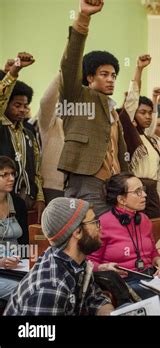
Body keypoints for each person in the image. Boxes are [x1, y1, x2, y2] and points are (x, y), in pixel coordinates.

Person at [88, 173, 160, 315]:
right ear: (121, 199)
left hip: (152, 278)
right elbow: (89, 262)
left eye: (143, 189)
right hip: (126, 284)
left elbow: (152, 251)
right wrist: (104, 267)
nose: (145, 195)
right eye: (138, 192)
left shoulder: (144, 219)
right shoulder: (103, 223)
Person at [59, 0, 129, 217]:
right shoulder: (77, 95)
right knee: (90, 236)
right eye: (104, 74)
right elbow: (70, 64)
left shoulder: (112, 109)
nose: (111, 80)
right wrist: (84, 18)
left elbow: (120, 151)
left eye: (114, 75)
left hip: (115, 185)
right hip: (86, 179)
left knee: (111, 238)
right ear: (89, 77)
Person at [5, 197, 114, 315]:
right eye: (94, 222)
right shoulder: (50, 287)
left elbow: (95, 299)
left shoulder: (76, 263)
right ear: (77, 232)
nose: (100, 227)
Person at [119, 55, 160, 218]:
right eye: (142, 112)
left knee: (154, 231)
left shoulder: (150, 139)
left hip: (152, 191)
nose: (148, 116)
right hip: (135, 189)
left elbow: (159, 175)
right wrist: (139, 69)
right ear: (133, 114)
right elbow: (132, 101)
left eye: (150, 113)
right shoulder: (127, 134)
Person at [0, 53, 45, 223]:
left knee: (25, 244)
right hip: (3, 198)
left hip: (27, 201)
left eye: (25, 106)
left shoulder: (28, 132)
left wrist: (39, 197)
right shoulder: (1, 127)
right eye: (17, 105)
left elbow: (37, 169)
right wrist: (15, 68)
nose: (22, 110)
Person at [0, 156, 28, 302]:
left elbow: (25, 243)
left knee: (39, 284)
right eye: (4, 174)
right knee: (24, 292)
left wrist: (22, 261)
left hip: (17, 267)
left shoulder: (18, 203)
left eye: (12, 174)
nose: (11, 178)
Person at [37, 74, 65, 205]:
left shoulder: (84, 125)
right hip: (53, 189)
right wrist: (63, 72)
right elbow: (46, 101)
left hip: (79, 188)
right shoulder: (50, 123)